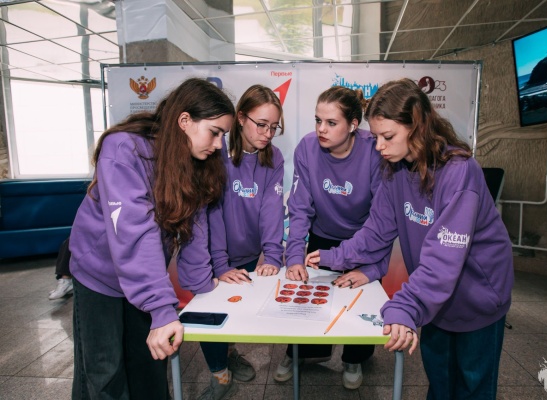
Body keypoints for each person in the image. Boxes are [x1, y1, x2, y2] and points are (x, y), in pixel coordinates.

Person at [305, 78, 514, 399]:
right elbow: (376, 231)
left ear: (417, 127)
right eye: (376, 137)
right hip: (435, 300)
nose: (379, 146)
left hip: (477, 297)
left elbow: (443, 258)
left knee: (473, 387)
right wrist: (335, 256)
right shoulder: (395, 170)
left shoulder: (460, 171)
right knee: (440, 384)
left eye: (388, 137)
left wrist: (406, 305)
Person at [68, 78, 235, 400]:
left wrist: (203, 286)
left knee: (149, 367)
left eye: (223, 136)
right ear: (185, 121)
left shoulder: (198, 160)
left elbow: (196, 228)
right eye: (215, 132)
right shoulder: (124, 148)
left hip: (144, 277)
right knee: (104, 373)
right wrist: (160, 307)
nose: (218, 144)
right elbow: (134, 231)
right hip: (99, 276)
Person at [277, 86, 392, 389]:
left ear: (353, 125)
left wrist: (372, 268)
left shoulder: (374, 150)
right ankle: (300, 354)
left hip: (365, 240)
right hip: (323, 238)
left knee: (360, 304)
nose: (321, 129)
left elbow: (382, 222)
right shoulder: (307, 148)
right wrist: (294, 256)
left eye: (331, 123)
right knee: (313, 304)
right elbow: (300, 208)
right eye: (318, 120)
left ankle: (354, 358)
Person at [199, 84, 285, 399]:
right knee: (211, 319)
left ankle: (230, 353)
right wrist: (221, 265)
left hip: (249, 253)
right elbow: (213, 213)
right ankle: (220, 376)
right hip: (214, 255)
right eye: (261, 125)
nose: (267, 134)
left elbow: (272, 209)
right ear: (240, 118)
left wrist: (272, 255)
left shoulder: (274, 158)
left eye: (273, 127)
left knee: (233, 313)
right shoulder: (216, 153)